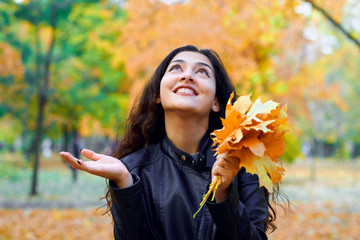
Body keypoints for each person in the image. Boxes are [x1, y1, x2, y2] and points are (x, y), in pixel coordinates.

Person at [60, 45, 280, 239]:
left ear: (216, 102)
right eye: (176, 68)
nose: (187, 76)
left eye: (202, 71)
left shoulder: (243, 163)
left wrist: (223, 194)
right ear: (157, 95)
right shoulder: (134, 169)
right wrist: (125, 183)